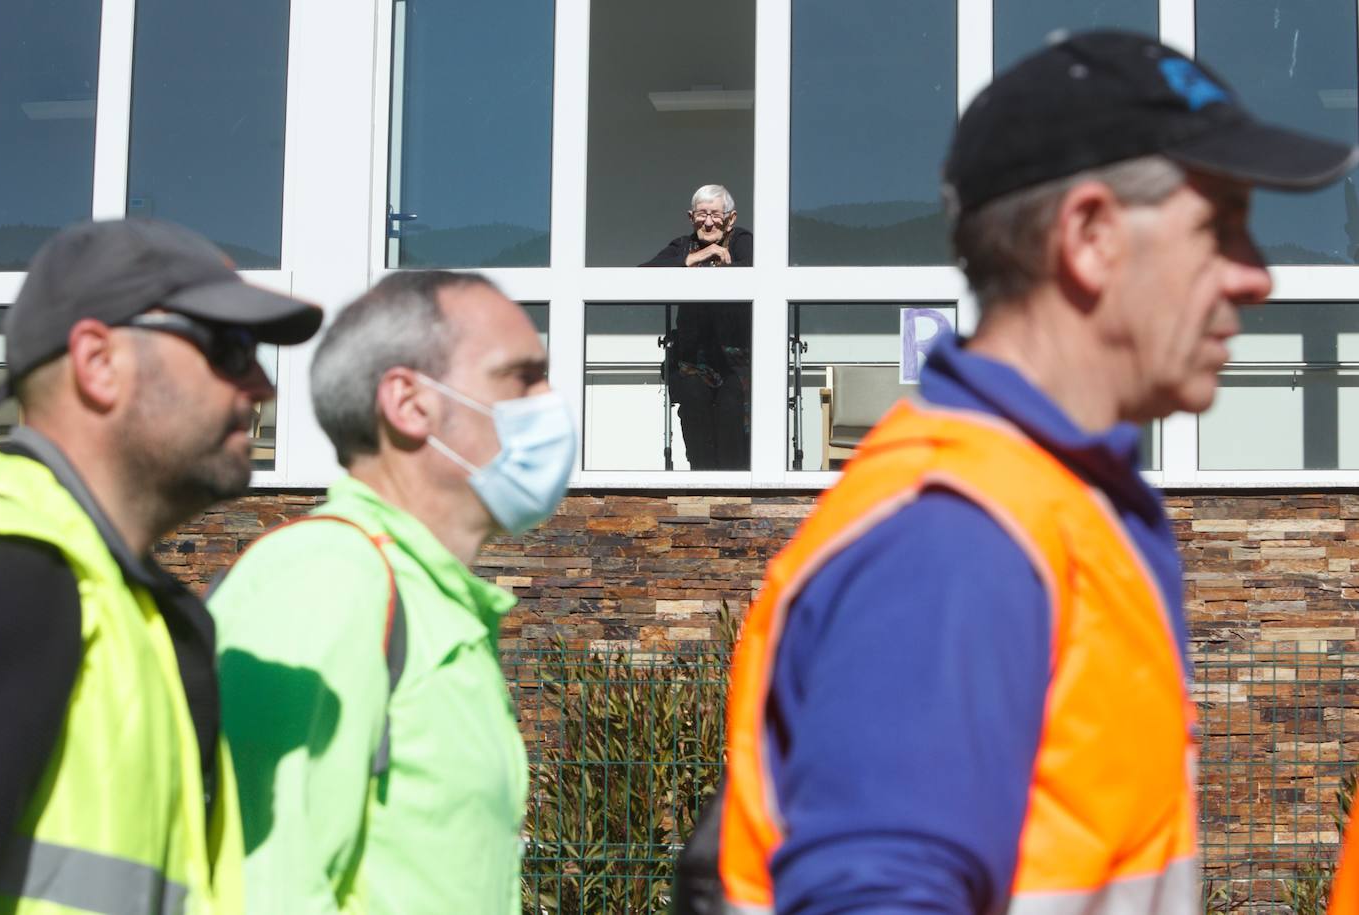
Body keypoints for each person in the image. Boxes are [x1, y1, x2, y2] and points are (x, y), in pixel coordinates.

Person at [713, 31, 1359, 914]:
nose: (1257, 277)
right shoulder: (956, 539)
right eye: (1222, 227)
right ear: (1090, 237)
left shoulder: (1056, 503)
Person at [209, 271, 574, 913]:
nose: (549, 401)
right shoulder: (324, 578)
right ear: (409, 404)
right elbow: (261, 889)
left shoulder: (427, 595)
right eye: (521, 378)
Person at [0, 218, 321, 911]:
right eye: (228, 349)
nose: (262, 385)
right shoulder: (15, 570)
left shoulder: (132, 602)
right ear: (98, 363)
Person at [643, 185, 753, 469]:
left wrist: (723, 267)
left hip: (735, 356)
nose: (707, 222)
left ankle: (735, 486)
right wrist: (693, 259)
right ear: (691, 217)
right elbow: (643, 274)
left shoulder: (741, 240)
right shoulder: (683, 246)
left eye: (715, 215)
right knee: (693, 410)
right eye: (701, 214)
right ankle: (701, 482)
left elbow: (757, 267)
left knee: (731, 413)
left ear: (730, 218)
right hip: (694, 357)